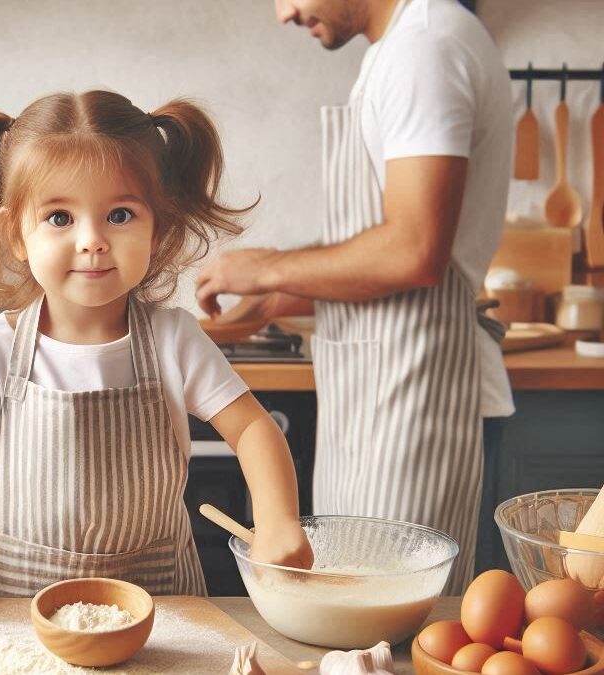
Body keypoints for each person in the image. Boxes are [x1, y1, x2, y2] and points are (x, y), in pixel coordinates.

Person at [0, 90, 314, 621]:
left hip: (161, 621)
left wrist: (277, 522)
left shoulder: (174, 339)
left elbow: (253, 429)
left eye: (119, 214)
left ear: (157, 230)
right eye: (60, 218)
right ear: (15, 233)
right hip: (10, 620)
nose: (92, 240)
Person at [195, 0, 513, 593]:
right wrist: (275, 298)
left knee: (389, 618)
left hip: (415, 396)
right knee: (352, 609)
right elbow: (383, 255)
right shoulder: (399, 50)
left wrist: (267, 270)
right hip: (375, 399)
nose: (283, 13)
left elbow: (415, 251)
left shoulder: (425, 49)